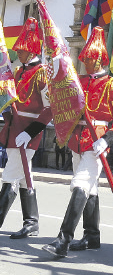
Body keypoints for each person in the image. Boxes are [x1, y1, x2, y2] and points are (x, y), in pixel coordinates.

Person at [42, 26, 113, 258]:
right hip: (76, 140)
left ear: (100, 60)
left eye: (89, 59)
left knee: (80, 184)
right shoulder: (77, 81)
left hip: (96, 143)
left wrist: (108, 139)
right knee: (90, 189)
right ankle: (92, 235)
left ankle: (63, 239)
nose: (85, 62)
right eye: (84, 58)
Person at [0, 17, 51, 239]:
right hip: (13, 129)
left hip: (28, 132)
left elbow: (49, 109)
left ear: (31, 51)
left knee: (9, 176)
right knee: (23, 177)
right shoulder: (18, 72)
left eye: (21, 50)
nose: (17, 53)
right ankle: (32, 223)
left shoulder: (43, 73)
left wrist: (30, 133)